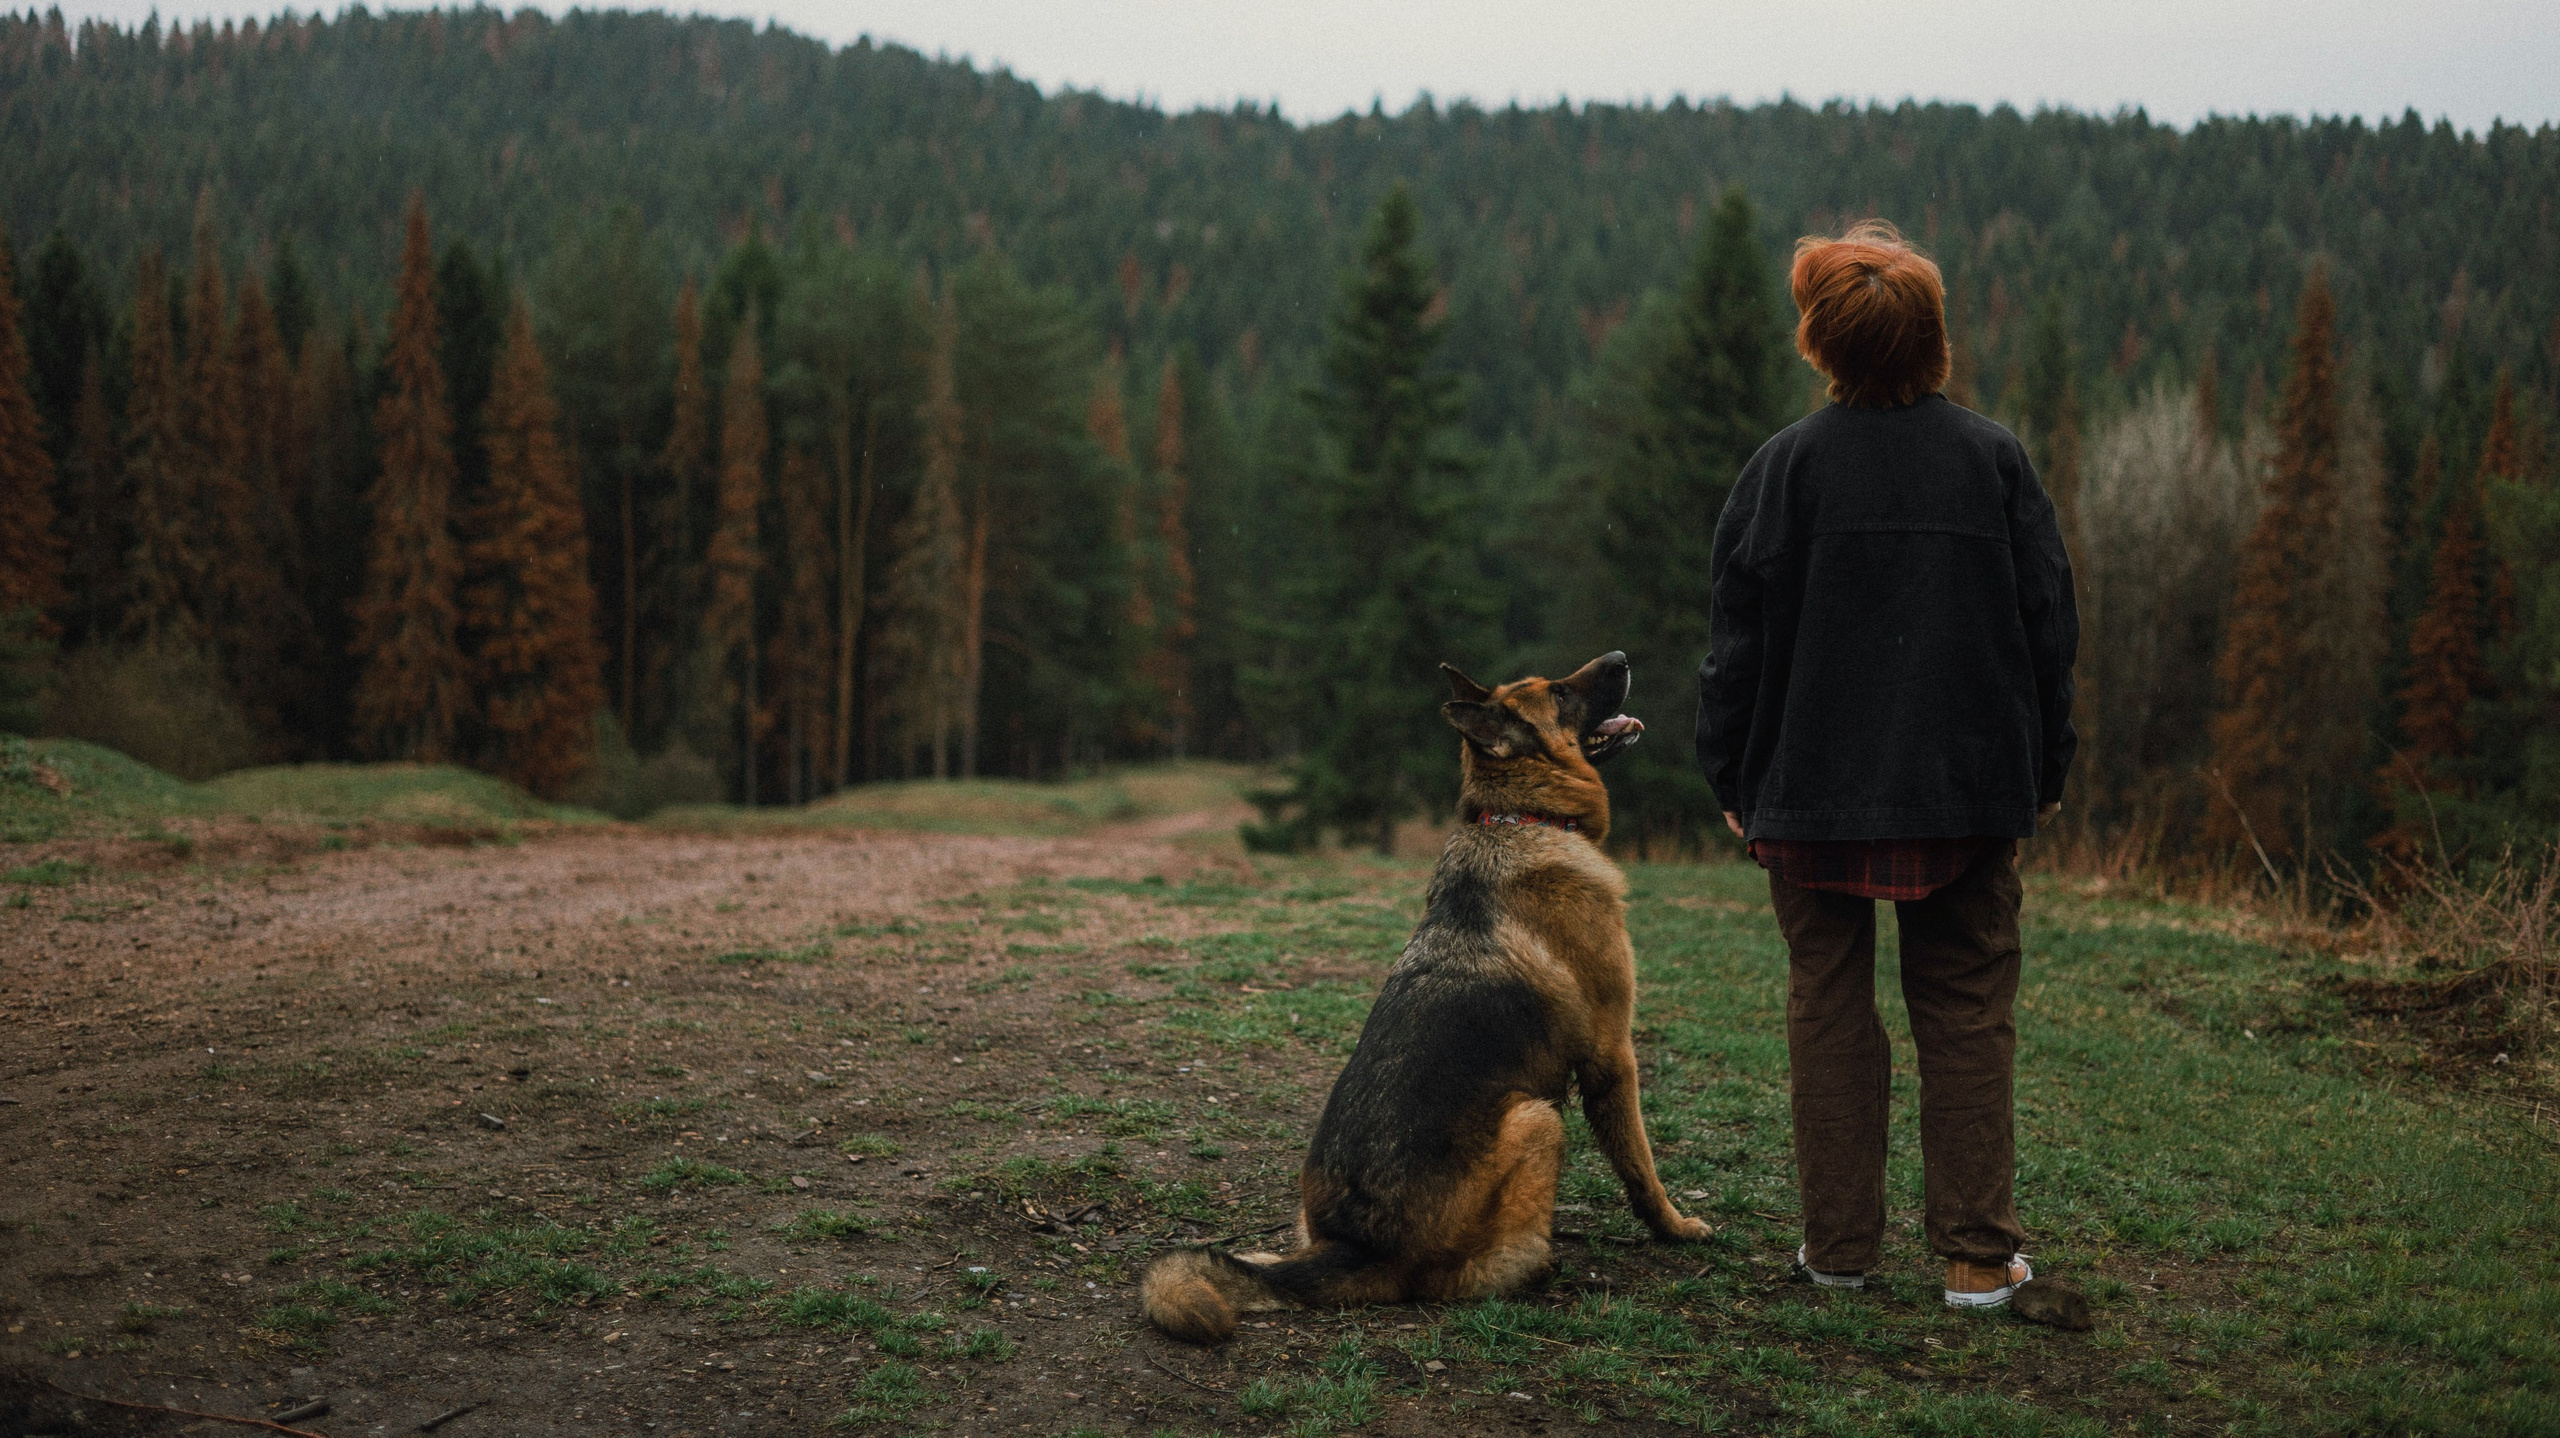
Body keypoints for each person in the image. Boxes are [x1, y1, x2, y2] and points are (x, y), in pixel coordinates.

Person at [1694, 221, 2078, 1310]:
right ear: (1932, 339)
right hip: (1964, 790)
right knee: (1963, 1007)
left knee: (1826, 1000)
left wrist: (1730, 776)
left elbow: (1736, 648)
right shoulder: (1994, 460)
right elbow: (2049, 628)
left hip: (1807, 789)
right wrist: (2043, 766)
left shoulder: (1781, 470)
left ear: (1821, 343)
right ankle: (1972, 1259)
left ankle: (1838, 1255)